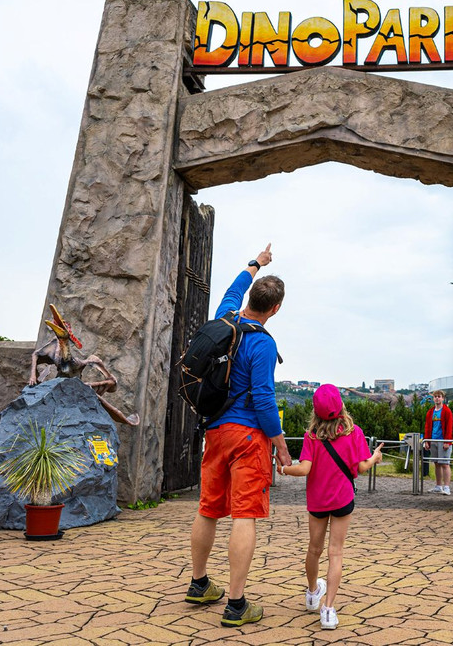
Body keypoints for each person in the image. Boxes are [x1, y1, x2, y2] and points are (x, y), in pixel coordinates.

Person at [185, 243, 292, 628]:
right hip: (247, 437)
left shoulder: (225, 318)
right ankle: (235, 603)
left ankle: (199, 583)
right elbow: (263, 399)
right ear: (275, 309)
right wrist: (280, 446)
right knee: (245, 513)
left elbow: (232, 289)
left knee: (208, 508)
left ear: (250, 299)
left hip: (214, 431)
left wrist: (255, 264)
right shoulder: (263, 342)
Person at [278, 384, 383, 630]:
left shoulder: (312, 436)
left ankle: (312, 592)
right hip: (343, 499)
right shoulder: (354, 432)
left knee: (314, 549)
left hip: (317, 500)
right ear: (341, 406)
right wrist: (375, 457)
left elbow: (304, 468)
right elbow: (361, 467)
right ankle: (328, 610)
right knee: (335, 552)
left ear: (315, 410)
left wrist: (283, 469)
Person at [423, 390, 453, 494]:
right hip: (433, 440)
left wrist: (447, 441)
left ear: (443, 398)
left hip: (443, 440)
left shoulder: (447, 411)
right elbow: (427, 427)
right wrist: (427, 440)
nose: (437, 398)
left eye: (439, 396)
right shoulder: (430, 412)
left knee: (445, 464)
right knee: (436, 464)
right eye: (435, 396)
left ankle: (447, 487)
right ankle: (438, 486)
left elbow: (449, 427)